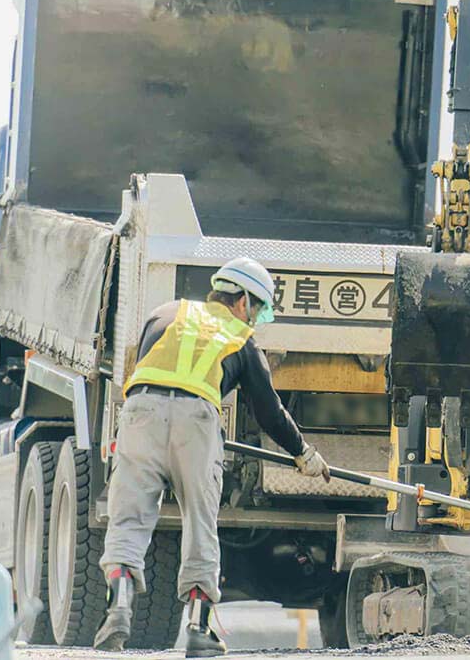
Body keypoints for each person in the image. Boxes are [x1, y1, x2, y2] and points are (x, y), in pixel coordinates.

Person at [94, 257, 330, 657]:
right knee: (201, 524)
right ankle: (199, 631)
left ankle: (117, 605)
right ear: (241, 301)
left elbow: (144, 367)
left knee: (128, 519)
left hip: (139, 412)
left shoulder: (165, 313)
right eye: (256, 310)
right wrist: (303, 453)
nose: (254, 319)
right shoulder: (242, 338)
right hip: (197, 421)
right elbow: (268, 411)